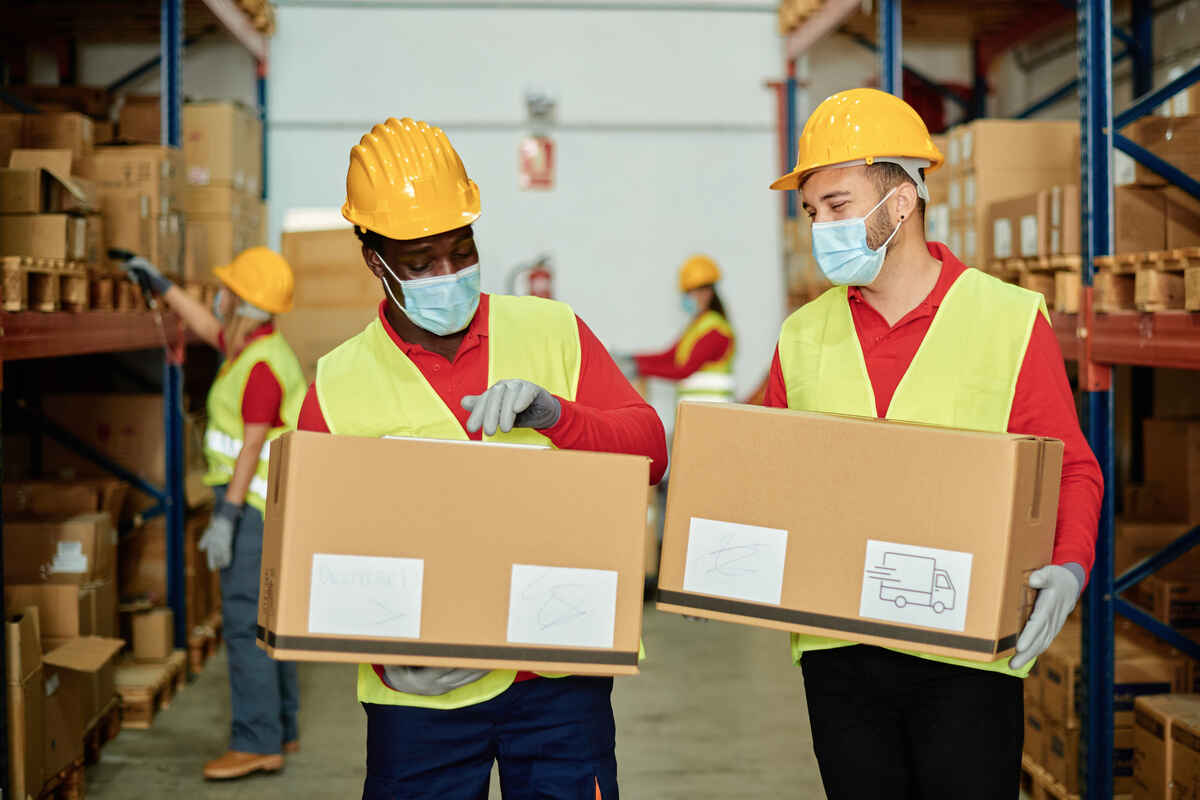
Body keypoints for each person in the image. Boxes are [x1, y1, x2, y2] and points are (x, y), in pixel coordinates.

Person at [294, 116, 667, 800]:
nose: (448, 274)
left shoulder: (552, 330)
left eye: (461, 251)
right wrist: (383, 651)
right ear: (373, 258)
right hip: (421, 702)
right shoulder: (338, 384)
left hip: (559, 684)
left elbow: (651, 453)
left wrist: (559, 416)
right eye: (421, 261)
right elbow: (313, 556)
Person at [762, 88, 1103, 799]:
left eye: (838, 205)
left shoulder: (1005, 318)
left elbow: (1070, 466)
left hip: (964, 648)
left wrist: (1069, 566)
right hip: (839, 649)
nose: (819, 227)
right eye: (811, 211)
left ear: (901, 202)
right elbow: (767, 478)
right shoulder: (802, 335)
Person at [119, 247, 307, 781]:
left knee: (247, 627)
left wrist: (224, 518)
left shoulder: (263, 370)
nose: (218, 296)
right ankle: (283, 729)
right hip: (262, 507)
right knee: (272, 624)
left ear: (244, 302)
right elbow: (204, 324)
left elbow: (250, 449)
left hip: (251, 510)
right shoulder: (253, 346)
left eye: (226, 290)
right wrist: (161, 285)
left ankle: (256, 742)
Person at [629, 255, 736, 404]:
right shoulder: (696, 326)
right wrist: (632, 359)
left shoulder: (715, 331)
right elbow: (668, 356)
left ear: (706, 293)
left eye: (689, 292)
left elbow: (683, 370)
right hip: (696, 412)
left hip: (714, 413)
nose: (686, 298)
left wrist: (639, 368)